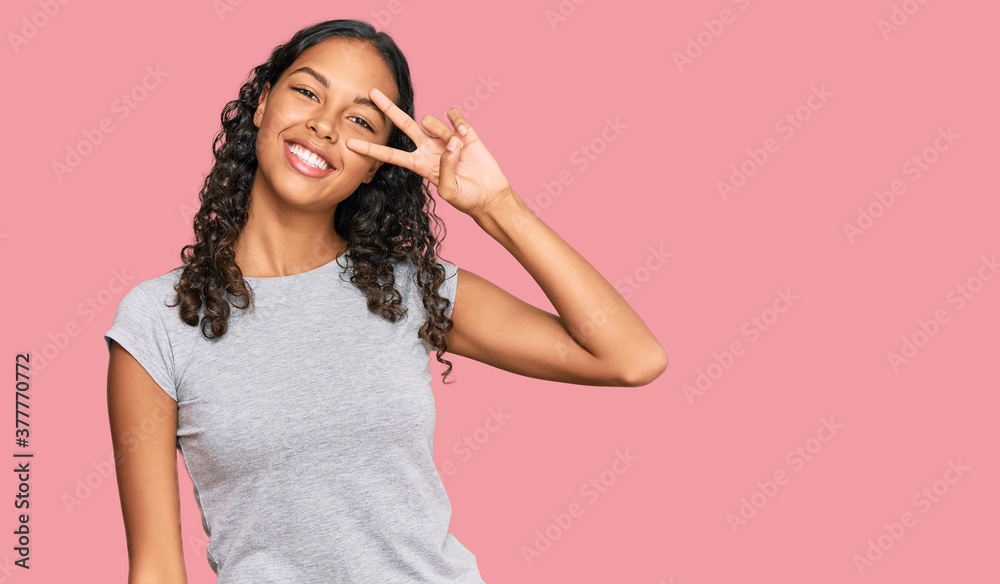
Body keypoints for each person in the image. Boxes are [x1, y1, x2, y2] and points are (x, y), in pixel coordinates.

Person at [105, 18, 667, 584]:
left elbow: (629, 357)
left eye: (358, 120)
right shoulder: (159, 320)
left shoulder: (409, 288)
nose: (323, 126)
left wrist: (497, 205)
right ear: (263, 103)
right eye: (306, 92)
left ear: (375, 160)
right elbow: (155, 567)